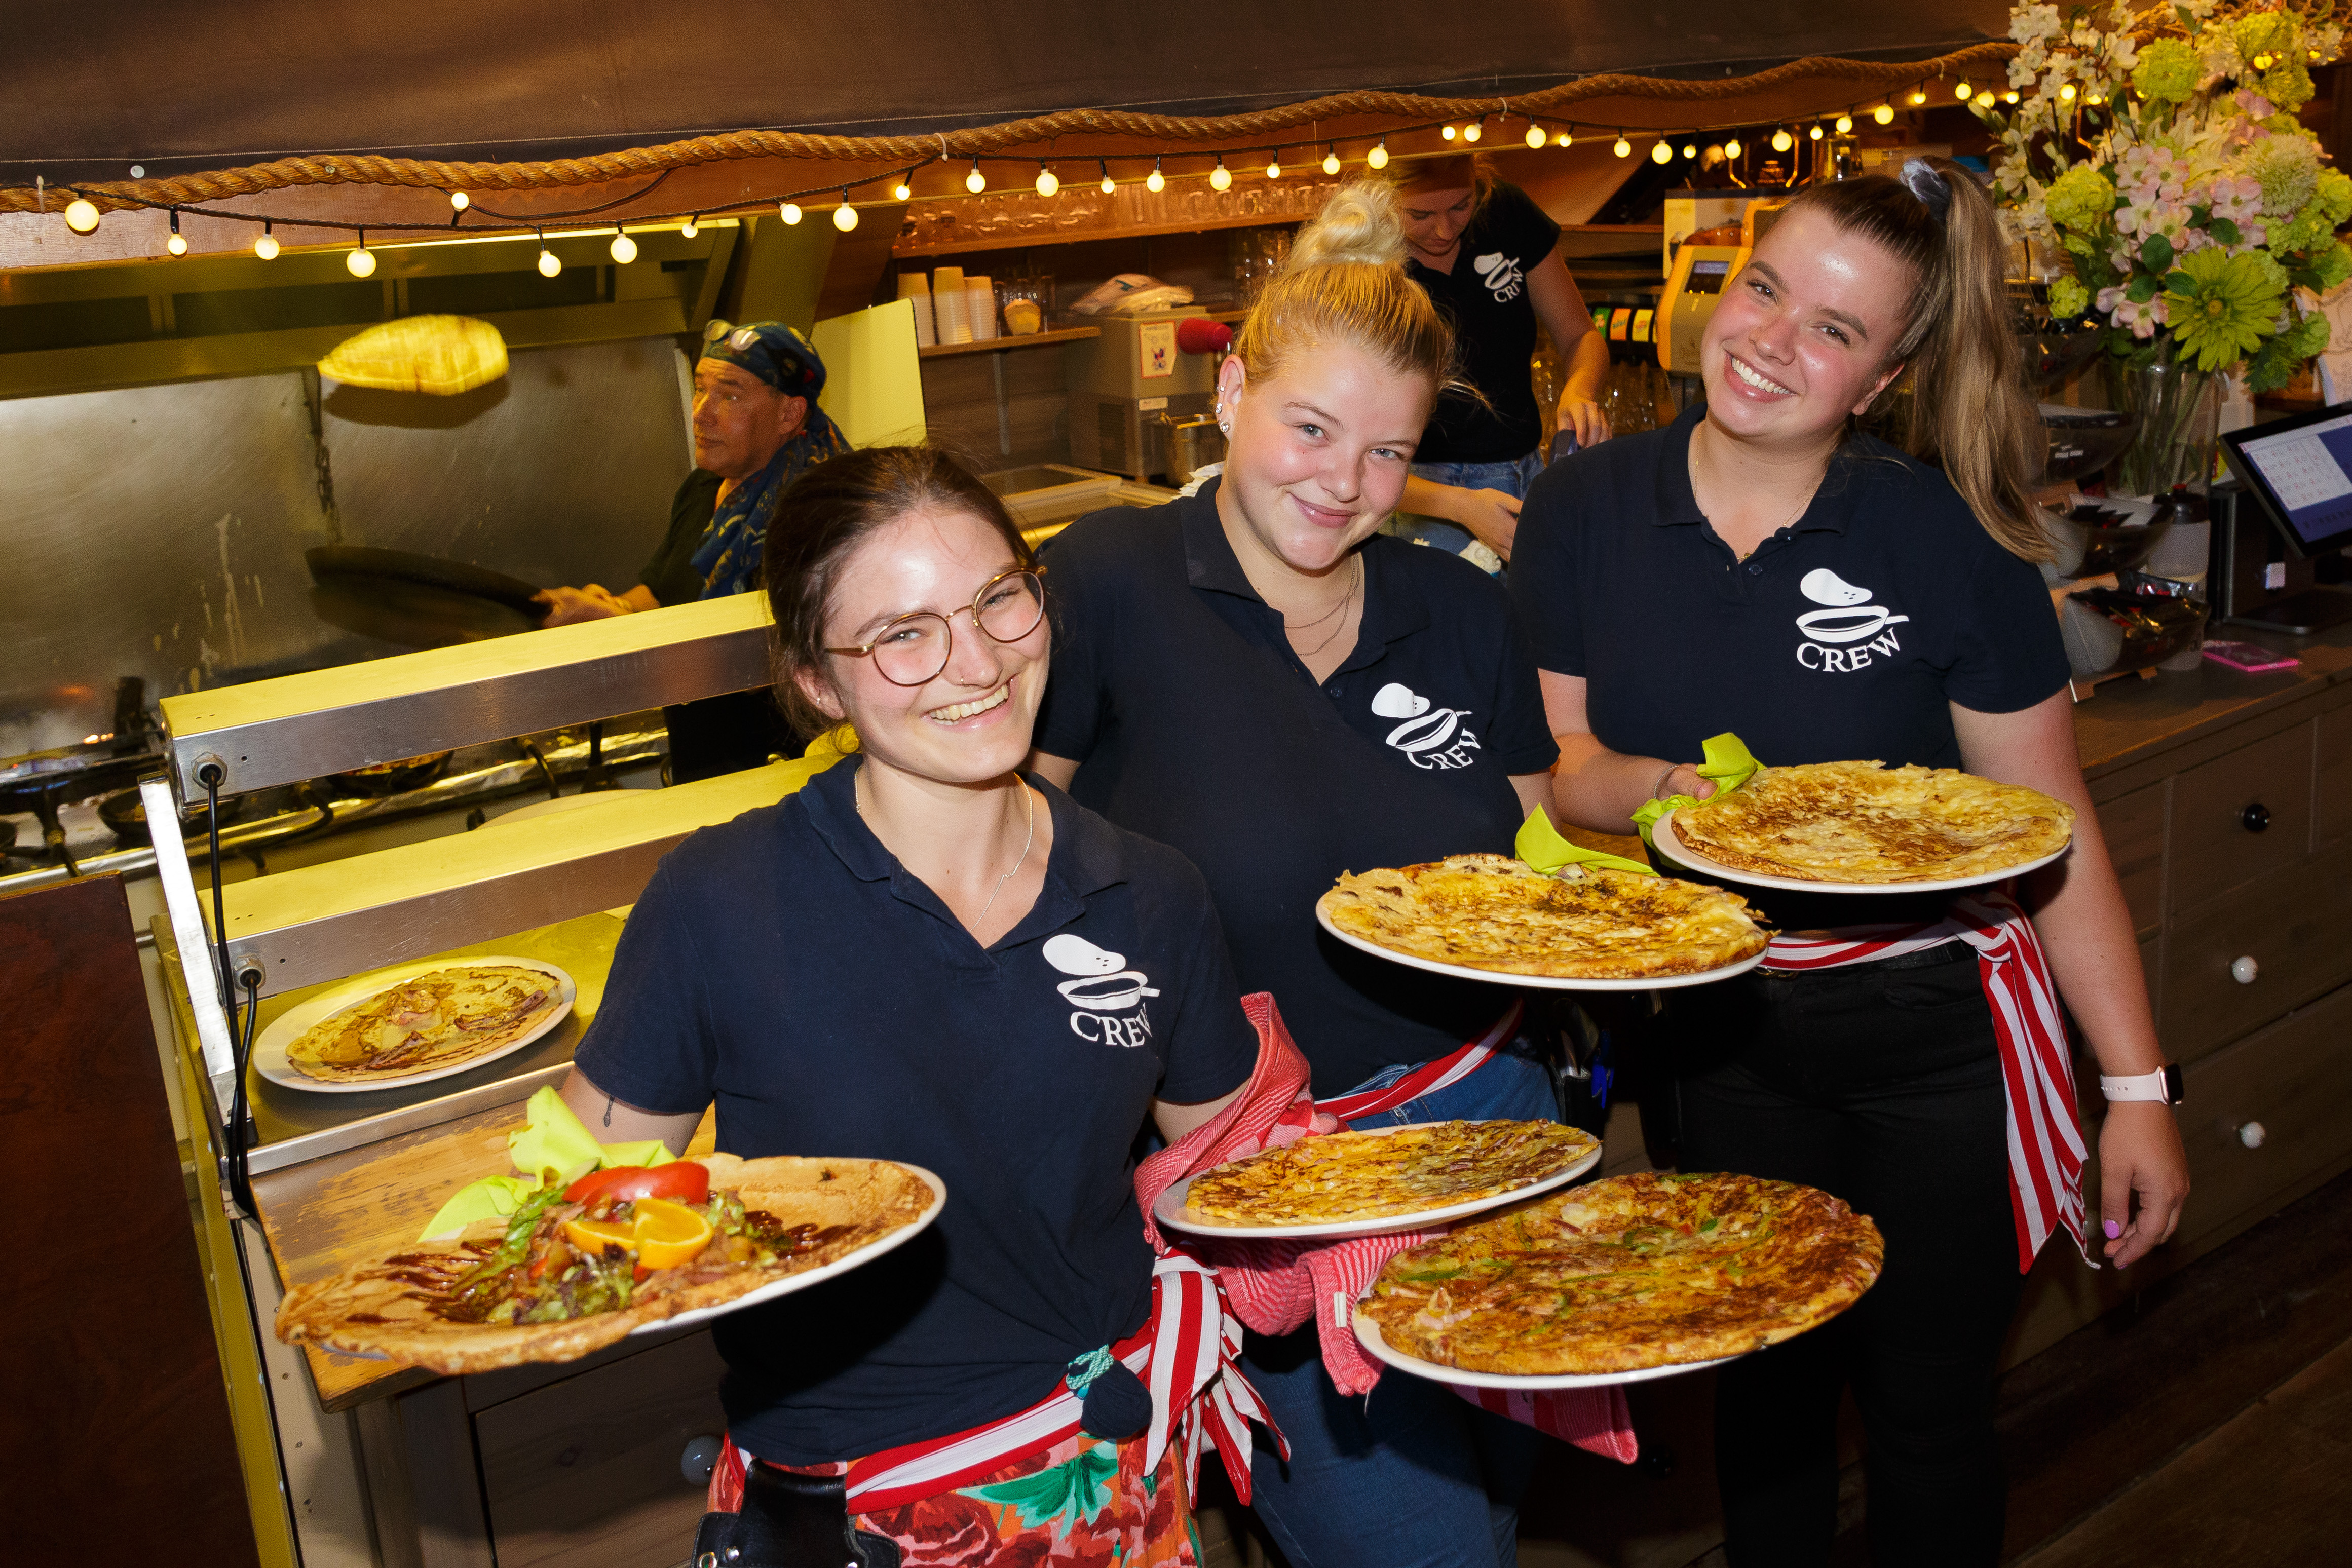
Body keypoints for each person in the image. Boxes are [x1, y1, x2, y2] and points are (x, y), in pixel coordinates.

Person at [1507, 158, 2191, 1566]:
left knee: (1929, 1414)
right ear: (1722, 281)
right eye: (1764, 287)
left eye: (1833, 327)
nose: (1771, 338)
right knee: (1761, 1412)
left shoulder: (1946, 537)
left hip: (1933, 1034)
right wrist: (1663, 790)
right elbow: (1561, 770)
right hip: (1718, 1025)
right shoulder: (1581, 507)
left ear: (1882, 377)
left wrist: (2136, 1088)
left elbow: (2053, 838)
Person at [557, 446, 1256, 1563]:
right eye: (902, 632)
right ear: (818, 682)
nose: (974, 661)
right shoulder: (720, 900)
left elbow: (1241, 1171)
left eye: (997, 599)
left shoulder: (1150, 891)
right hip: (855, 1501)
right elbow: (578, 1205)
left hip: (1107, 1468)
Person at [1030, 181, 1562, 1568]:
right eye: (1310, 428)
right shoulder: (1109, 576)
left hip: (1493, 1128)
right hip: (1277, 1176)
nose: (1343, 481)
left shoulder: (1458, 605)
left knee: (1497, 1492)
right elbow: (1014, 849)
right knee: (1419, 1540)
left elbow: (1525, 857)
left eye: (1388, 452)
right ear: (1228, 392)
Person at [536, 319, 853, 780]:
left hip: (789, 775)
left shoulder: (818, 512)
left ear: (789, 414)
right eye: (702, 390)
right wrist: (613, 607)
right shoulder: (704, 488)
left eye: (731, 395)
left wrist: (625, 631)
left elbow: (762, 659)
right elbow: (665, 588)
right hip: (704, 763)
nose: (702, 413)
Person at [1383, 155, 1613, 566]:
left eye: (1461, 206)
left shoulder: (1504, 211)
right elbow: (1355, 463)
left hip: (1528, 472)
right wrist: (1459, 505)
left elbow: (1581, 336)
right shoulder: (1364, 251)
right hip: (1421, 496)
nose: (1443, 230)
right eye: (1419, 214)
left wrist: (1578, 391)